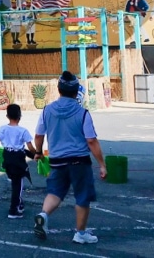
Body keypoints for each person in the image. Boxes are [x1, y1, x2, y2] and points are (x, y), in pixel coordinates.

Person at [33, 71, 108, 245]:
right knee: (82, 196)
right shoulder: (82, 113)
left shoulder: (47, 110)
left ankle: (43, 215)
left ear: (58, 90)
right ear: (76, 92)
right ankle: (80, 233)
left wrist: (38, 151)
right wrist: (102, 164)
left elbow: (38, 135)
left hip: (57, 160)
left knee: (55, 191)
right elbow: (91, 140)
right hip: (79, 161)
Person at [0, 104, 37, 219]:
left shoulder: (3, 129)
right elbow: (30, 147)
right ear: (20, 116)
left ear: (7, 116)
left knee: (14, 182)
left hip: (7, 157)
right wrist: (37, 154)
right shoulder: (23, 131)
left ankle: (19, 204)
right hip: (18, 159)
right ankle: (13, 210)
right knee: (18, 185)